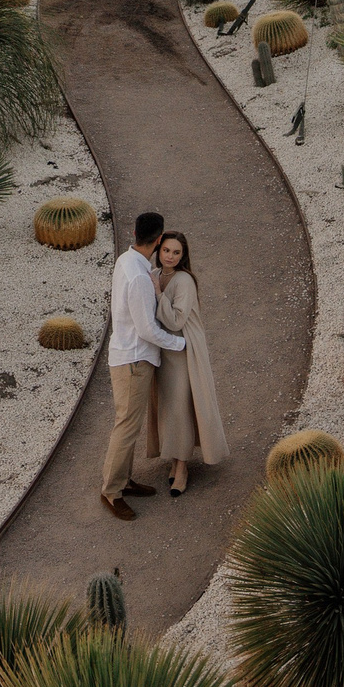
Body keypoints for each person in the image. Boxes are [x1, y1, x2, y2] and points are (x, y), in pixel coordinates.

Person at [103, 211, 185, 520]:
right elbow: (147, 329)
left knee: (129, 424)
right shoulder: (138, 276)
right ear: (159, 239)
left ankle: (124, 481)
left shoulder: (128, 261)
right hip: (134, 360)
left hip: (129, 356)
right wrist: (179, 344)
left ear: (135, 233)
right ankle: (111, 492)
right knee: (126, 426)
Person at [144, 230, 228, 495]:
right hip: (163, 349)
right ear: (159, 250)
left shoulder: (184, 280)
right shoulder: (155, 274)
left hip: (184, 350)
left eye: (176, 252)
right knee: (169, 404)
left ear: (183, 255)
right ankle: (174, 458)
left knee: (181, 404)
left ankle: (182, 467)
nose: (170, 256)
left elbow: (176, 321)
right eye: (166, 250)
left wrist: (158, 294)